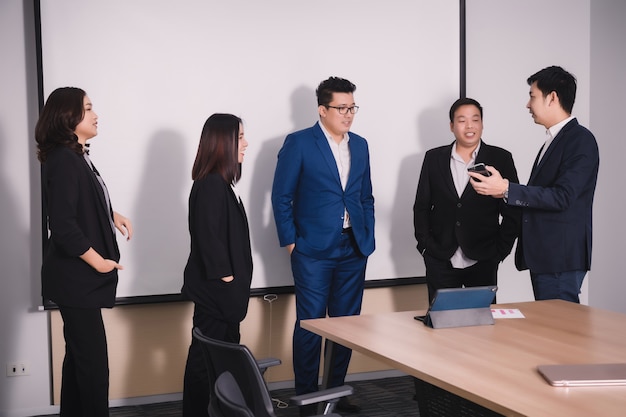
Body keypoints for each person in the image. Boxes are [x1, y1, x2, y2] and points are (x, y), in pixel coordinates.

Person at [271, 76, 375, 416]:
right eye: (341, 108)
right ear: (322, 109)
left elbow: (364, 196)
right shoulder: (300, 143)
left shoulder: (359, 145)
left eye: (352, 108)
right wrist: (291, 244)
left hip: (353, 249)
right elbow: (281, 197)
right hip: (312, 251)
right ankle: (306, 399)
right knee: (311, 325)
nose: (348, 114)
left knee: (346, 327)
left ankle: (334, 396)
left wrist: (367, 235)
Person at [35, 87, 133, 417]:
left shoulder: (76, 156)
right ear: (68, 117)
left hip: (76, 279)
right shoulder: (64, 159)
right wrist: (100, 262)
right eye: (88, 108)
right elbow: (63, 226)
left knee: (79, 359)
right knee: (93, 367)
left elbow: (81, 204)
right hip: (76, 278)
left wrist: (110, 214)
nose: (95, 114)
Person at [469, 66, 599, 303]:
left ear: (552, 97)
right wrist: (502, 191)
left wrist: (507, 188)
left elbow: (563, 197)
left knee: (560, 332)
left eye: (532, 96)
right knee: (552, 332)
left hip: (560, 258)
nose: (527, 105)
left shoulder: (580, 140)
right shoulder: (554, 140)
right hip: (546, 257)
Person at [414, 98, 520, 303]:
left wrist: (500, 250)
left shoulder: (500, 158)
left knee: (482, 327)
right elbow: (421, 206)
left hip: (484, 257)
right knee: (442, 324)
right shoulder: (434, 158)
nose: (469, 126)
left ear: (482, 124)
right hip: (441, 257)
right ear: (452, 126)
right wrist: (426, 246)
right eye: (462, 120)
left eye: (475, 119)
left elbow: (512, 209)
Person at [181, 113, 252, 417]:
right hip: (217, 295)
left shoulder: (221, 183)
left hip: (224, 297)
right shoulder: (210, 184)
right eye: (239, 137)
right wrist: (227, 279)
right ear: (222, 143)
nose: (246, 143)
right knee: (204, 362)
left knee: (220, 362)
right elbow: (210, 240)